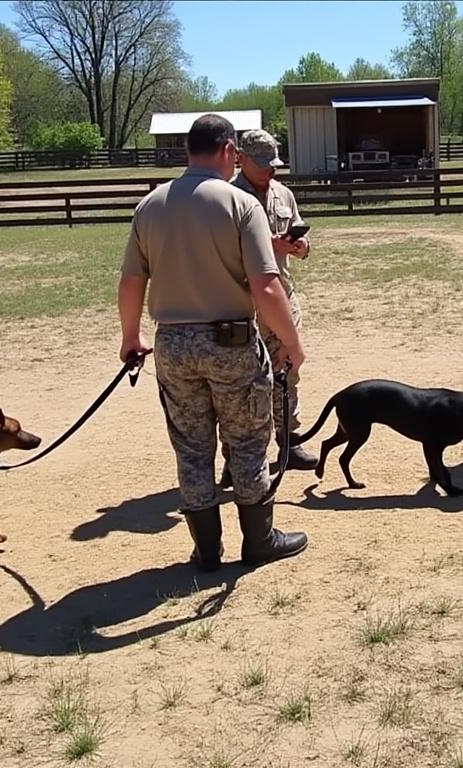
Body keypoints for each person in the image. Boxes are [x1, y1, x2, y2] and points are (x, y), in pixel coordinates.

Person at [118, 114, 308, 572]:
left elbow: (130, 281)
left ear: (189, 149)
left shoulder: (151, 205)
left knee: (192, 447)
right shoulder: (240, 205)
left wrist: (131, 337)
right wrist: (291, 342)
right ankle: (259, 540)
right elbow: (266, 286)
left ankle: (207, 550)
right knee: (246, 442)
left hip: (173, 345)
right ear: (228, 150)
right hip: (231, 343)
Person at [217, 128, 318, 488]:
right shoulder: (227, 196)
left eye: (274, 163)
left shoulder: (283, 194)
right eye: (263, 164)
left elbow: (302, 238)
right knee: (241, 382)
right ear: (241, 159)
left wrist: (300, 246)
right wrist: (266, 245)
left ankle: (290, 445)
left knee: (287, 374)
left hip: (282, 298)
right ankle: (235, 458)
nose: (270, 171)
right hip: (242, 305)